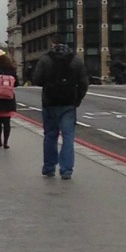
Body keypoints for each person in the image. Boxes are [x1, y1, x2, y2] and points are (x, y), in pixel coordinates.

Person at [30, 39, 89, 180]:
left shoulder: (45, 59)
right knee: (68, 137)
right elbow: (84, 83)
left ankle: (49, 167)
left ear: (53, 46)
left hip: (50, 102)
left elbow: (36, 80)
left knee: (50, 135)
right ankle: (66, 170)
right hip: (69, 103)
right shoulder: (76, 60)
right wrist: (77, 100)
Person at [0, 52, 18, 149]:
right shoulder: (12, 71)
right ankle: (6, 142)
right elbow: (16, 83)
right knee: (7, 122)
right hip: (8, 99)